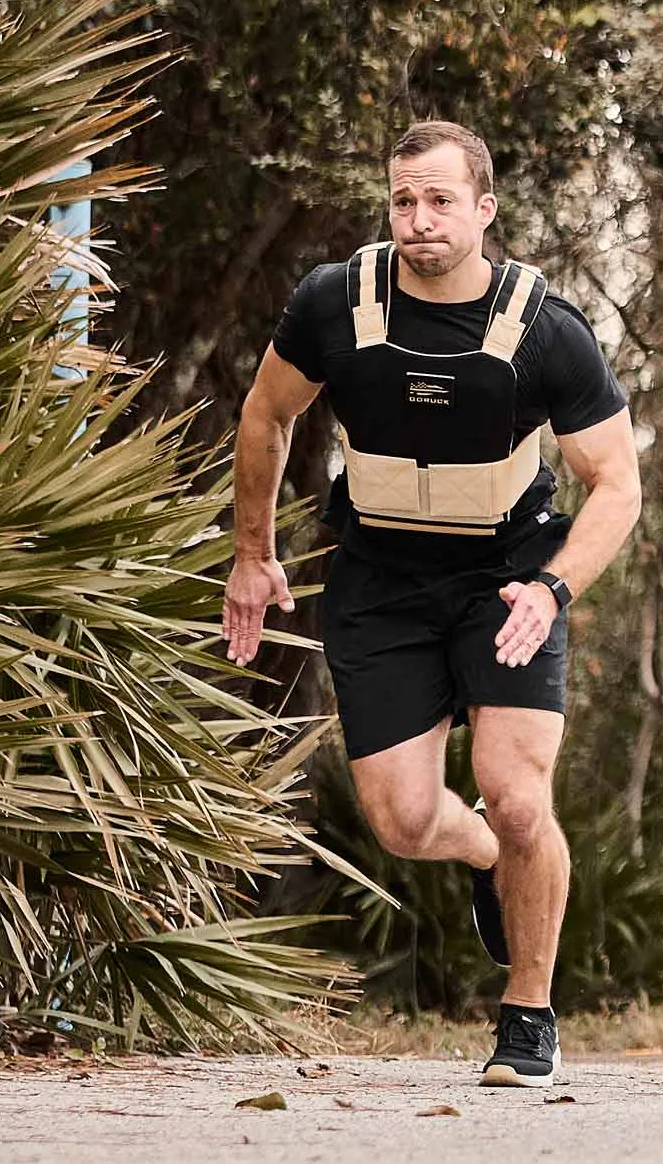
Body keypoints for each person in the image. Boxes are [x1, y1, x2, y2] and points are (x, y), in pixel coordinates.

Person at [223, 121, 641, 1087]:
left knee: (519, 790)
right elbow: (267, 412)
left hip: (506, 579)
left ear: (484, 210)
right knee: (407, 824)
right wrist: (253, 554)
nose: (419, 220)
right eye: (404, 200)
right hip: (379, 577)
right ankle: (488, 856)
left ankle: (528, 1013)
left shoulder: (544, 329)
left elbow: (616, 482)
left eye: (441, 200)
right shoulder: (336, 303)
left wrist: (553, 586)